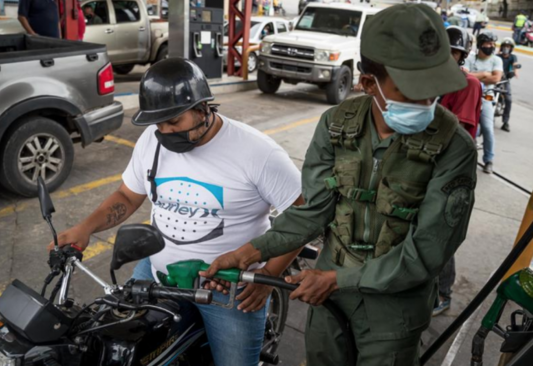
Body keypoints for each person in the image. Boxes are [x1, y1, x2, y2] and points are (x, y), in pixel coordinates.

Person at [203, 4, 477, 365]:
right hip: (328, 298)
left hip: (394, 308)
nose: (426, 103)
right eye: (411, 92)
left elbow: (427, 252)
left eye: (433, 90)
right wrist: (249, 253)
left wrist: (337, 279)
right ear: (367, 84)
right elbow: (312, 212)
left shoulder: (454, 147)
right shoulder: (336, 125)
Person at [49, 58, 303, 366]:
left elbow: (302, 218)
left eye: (174, 122)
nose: (165, 132)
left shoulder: (258, 154)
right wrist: (84, 229)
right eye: (159, 124)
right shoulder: (151, 143)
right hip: (157, 273)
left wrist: (267, 276)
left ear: (203, 108)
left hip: (228, 288)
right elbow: (128, 195)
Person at [433, 26, 482, 317]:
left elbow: (457, 130)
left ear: (461, 55)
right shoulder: (431, 82)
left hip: (452, 172)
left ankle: (443, 292)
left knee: (440, 232)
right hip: (427, 167)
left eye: (451, 52)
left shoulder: (468, 84)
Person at [464, 30, 503, 174]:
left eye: (492, 44)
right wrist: (485, 74)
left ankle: (488, 160)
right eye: (487, 43)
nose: (490, 46)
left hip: (487, 98)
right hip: (470, 97)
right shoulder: (470, 58)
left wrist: (474, 77)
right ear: (480, 44)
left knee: (487, 128)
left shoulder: (496, 60)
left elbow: (496, 78)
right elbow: (463, 75)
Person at [498, 37, 520, 132]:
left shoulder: (513, 57)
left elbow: (515, 65)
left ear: (511, 48)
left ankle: (505, 122)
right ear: (501, 47)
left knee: (508, 99)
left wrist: (515, 72)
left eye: (508, 46)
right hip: (495, 79)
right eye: (504, 46)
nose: (506, 48)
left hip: (505, 80)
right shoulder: (497, 56)